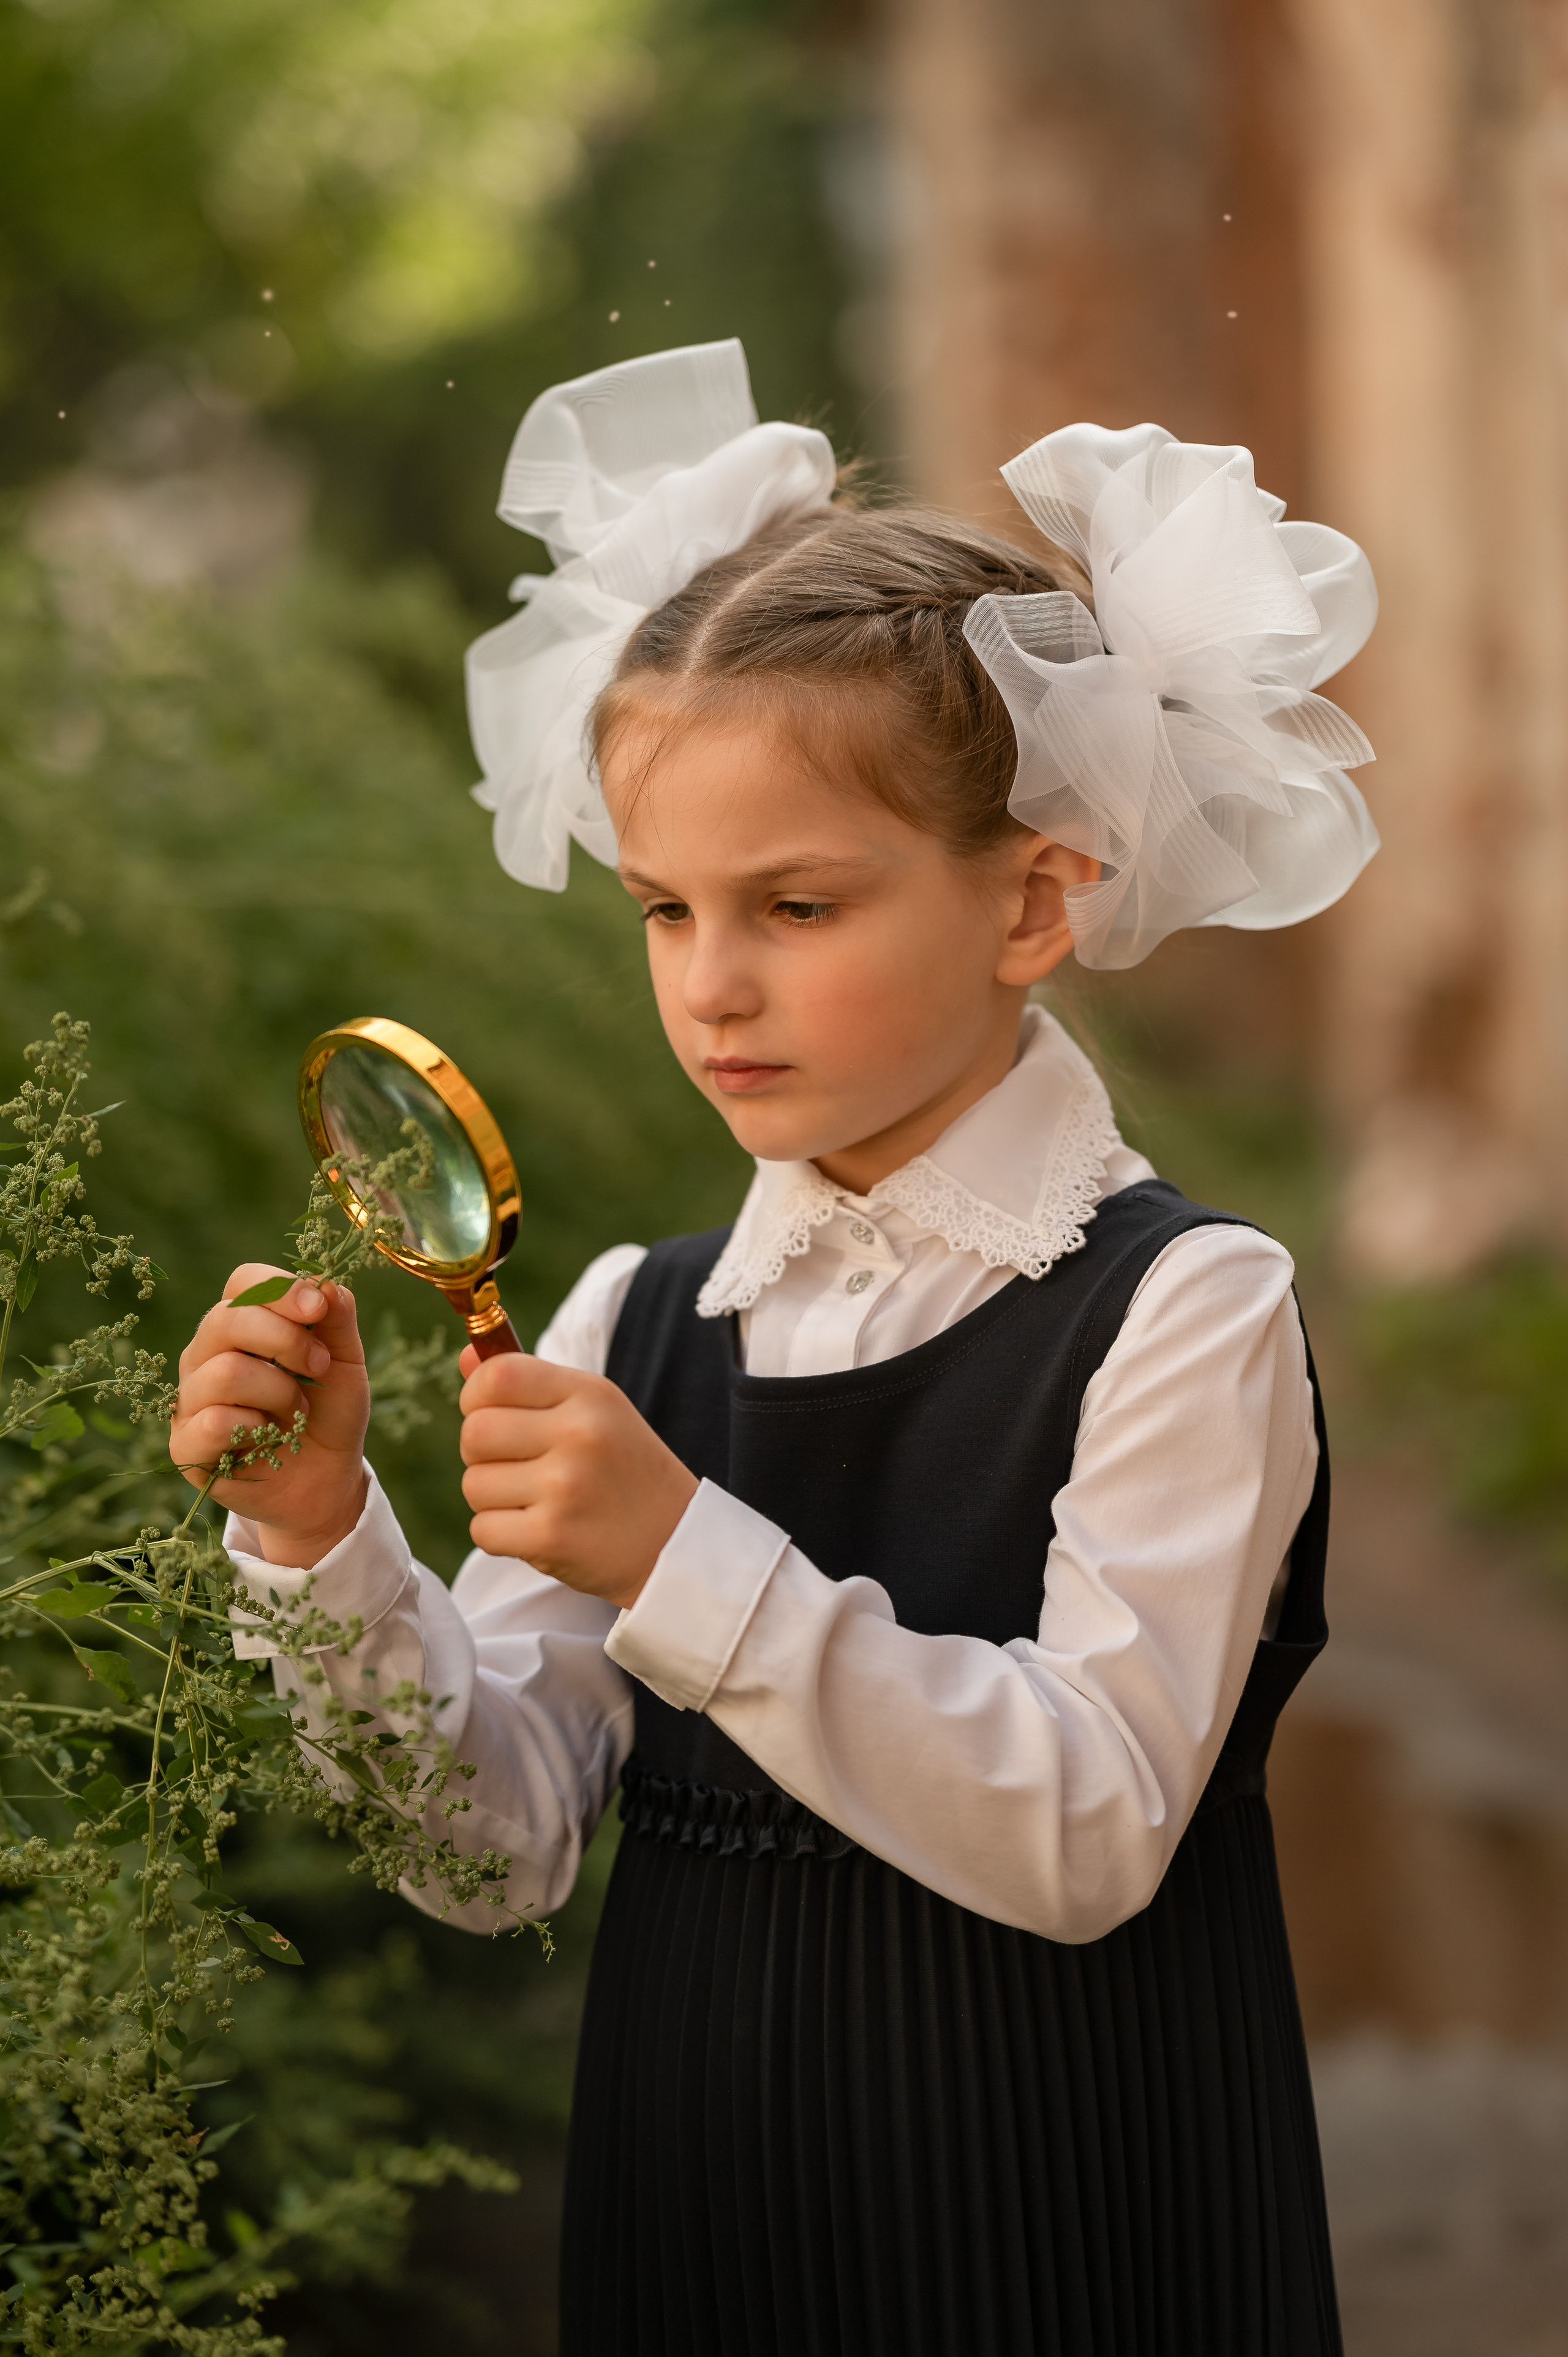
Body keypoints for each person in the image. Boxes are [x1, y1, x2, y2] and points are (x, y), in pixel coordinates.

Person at [170, 341, 1379, 2356]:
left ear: (1035, 901)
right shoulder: (634, 1319)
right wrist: (318, 1548)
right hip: (703, 2229)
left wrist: (678, 1557)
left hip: (1073, 2229)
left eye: (798, 905)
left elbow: (1087, 1831)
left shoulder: (1180, 1305)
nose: (714, 987)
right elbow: (486, 1849)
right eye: (662, 910)